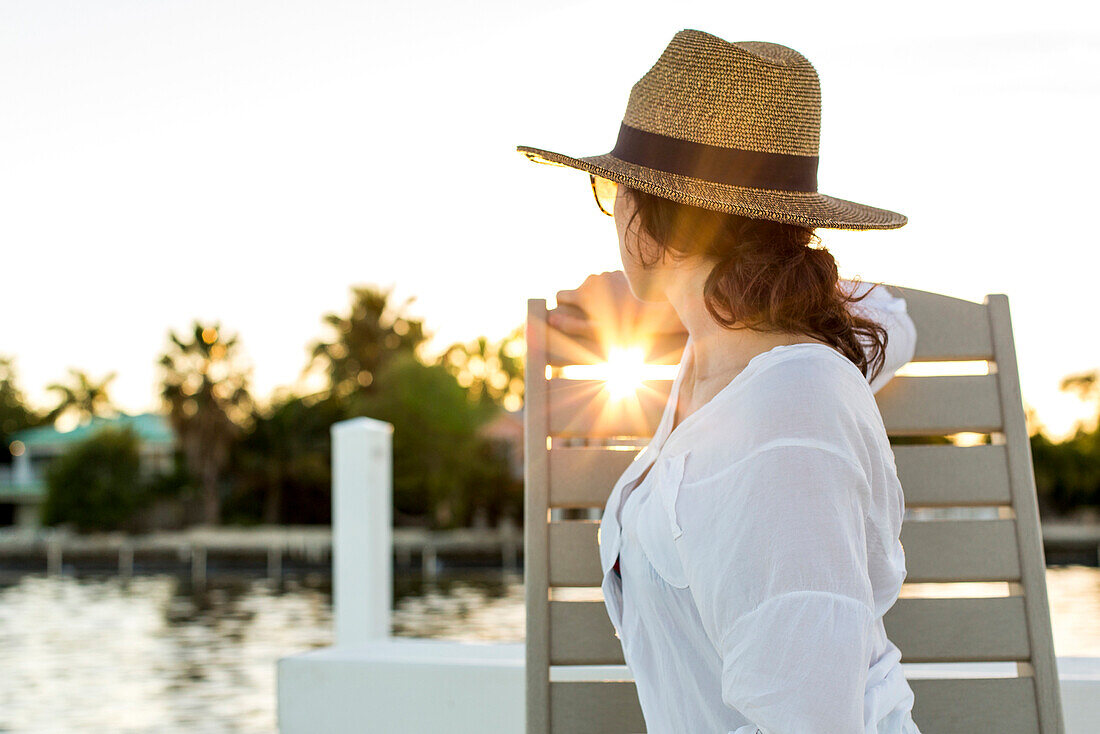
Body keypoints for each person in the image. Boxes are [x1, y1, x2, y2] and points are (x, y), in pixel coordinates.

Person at [517, 30, 923, 734]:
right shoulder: (733, 356)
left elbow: (806, 719)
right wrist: (650, 286)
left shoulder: (790, 420)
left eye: (611, 190)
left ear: (644, 219)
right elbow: (892, 320)